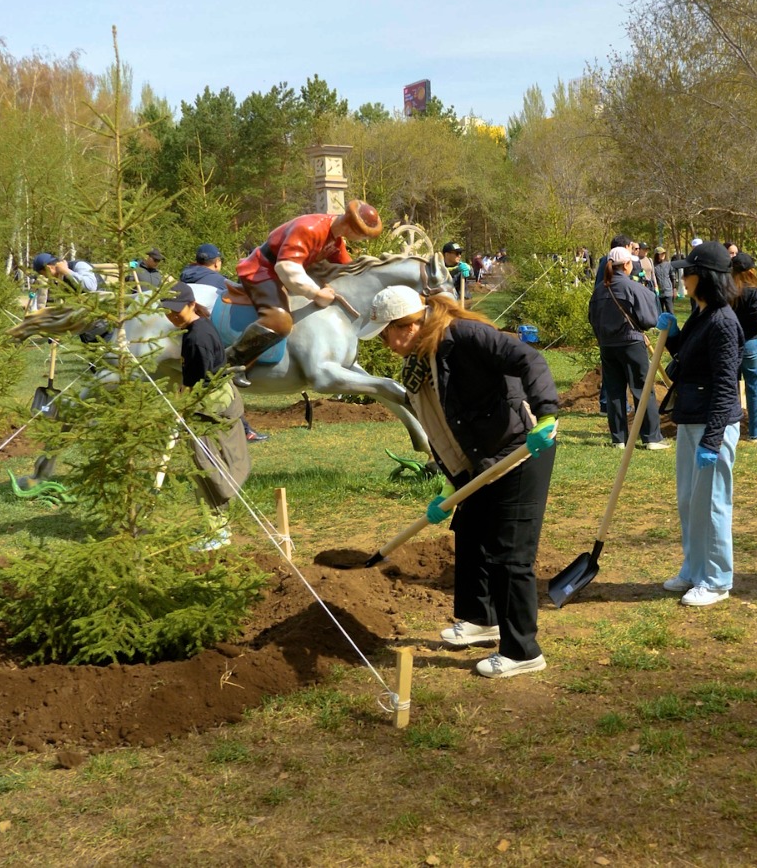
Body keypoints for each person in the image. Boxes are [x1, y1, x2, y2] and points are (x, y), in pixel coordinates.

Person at [360, 286, 559, 678]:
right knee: (469, 534)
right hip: (479, 462)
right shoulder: (420, 360)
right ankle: (481, 620)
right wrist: (451, 482)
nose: (385, 343)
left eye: (386, 334)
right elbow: (443, 424)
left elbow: (529, 359)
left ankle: (523, 651)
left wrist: (547, 413)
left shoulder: (462, 336)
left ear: (409, 325)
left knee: (510, 556)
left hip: (521, 451)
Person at [657, 241, 743, 606]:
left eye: (687, 273)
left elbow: (726, 385)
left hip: (713, 424)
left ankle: (717, 579)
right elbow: (692, 360)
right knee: (690, 501)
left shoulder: (723, 322)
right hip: (691, 418)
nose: (683, 278)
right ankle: (694, 569)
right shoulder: (702, 313)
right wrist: (674, 336)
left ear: (703, 277)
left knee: (712, 504)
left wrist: (713, 440)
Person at [228, 201, 384, 368]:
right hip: (263, 270)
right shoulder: (309, 229)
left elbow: (347, 269)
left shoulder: (335, 240)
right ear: (351, 228)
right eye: (363, 235)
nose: (363, 240)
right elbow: (287, 267)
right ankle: (230, 362)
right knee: (279, 321)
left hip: (279, 272)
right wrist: (316, 293)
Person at [159, 282, 250, 552]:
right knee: (215, 461)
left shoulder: (196, 338)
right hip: (222, 398)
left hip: (209, 406)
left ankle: (218, 531)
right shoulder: (198, 327)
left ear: (190, 304)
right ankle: (218, 523)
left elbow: (197, 383)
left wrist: (182, 401)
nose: (172, 316)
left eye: (177, 311)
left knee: (205, 464)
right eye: (168, 312)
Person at [588, 246, 669, 451]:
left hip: (607, 346)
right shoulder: (633, 288)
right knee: (642, 389)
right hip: (631, 343)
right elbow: (650, 319)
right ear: (626, 264)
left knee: (615, 391)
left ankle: (619, 439)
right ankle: (651, 438)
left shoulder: (599, 290)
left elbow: (592, 319)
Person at [731, 252, 757, 441]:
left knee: (731, 389)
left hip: (730, 344)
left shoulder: (726, 291)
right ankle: (756, 432)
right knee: (753, 388)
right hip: (750, 342)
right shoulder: (753, 292)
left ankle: (732, 429)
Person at [652, 247, 676, 315]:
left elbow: (673, 276)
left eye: (664, 254)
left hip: (668, 291)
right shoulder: (654, 266)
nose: (663, 255)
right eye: (661, 254)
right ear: (657, 255)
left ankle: (673, 325)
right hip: (658, 293)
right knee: (660, 313)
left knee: (670, 312)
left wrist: (674, 289)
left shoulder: (668, 264)